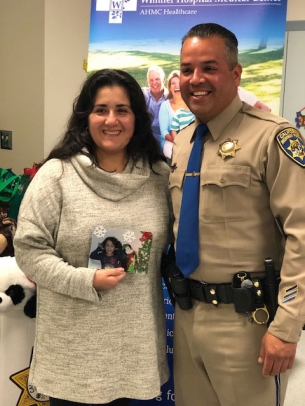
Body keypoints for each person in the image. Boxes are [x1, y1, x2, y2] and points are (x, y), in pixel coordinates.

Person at [14, 69, 172, 406]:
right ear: (86, 117)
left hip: (134, 347)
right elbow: (28, 249)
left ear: (138, 118)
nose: (111, 120)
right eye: (101, 109)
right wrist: (85, 280)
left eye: (122, 110)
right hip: (74, 353)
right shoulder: (56, 175)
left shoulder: (160, 178)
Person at [168, 23, 305, 406]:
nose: (196, 80)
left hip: (249, 324)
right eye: (187, 69)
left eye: (209, 68)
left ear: (235, 72)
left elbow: (302, 235)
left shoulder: (272, 137)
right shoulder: (182, 142)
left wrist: (287, 327)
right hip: (188, 315)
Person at [159, 70, 194, 158]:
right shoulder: (165, 105)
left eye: (179, 82)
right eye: (173, 83)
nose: (176, 86)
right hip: (171, 141)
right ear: (170, 88)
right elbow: (164, 132)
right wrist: (178, 141)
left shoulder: (192, 102)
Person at [142, 65, 167, 147]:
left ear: (164, 80)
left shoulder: (170, 97)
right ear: (148, 82)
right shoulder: (143, 94)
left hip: (164, 136)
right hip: (146, 134)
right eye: (151, 80)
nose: (154, 83)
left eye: (157, 79)